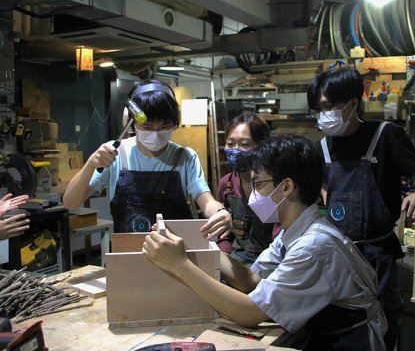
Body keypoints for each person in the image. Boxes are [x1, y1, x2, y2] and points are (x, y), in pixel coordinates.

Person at [143, 135, 387, 350]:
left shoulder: (314, 247)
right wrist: (201, 250)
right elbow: (251, 280)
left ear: (286, 187)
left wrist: (180, 265)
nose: (252, 195)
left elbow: (250, 313)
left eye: (258, 184)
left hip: (349, 342)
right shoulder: (294, 231)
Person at [307, 66, 415, 351]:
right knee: (344, 323)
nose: (323, 115)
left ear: (353, 103)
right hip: (338, 254)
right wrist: (330, 197)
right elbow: (323, 184)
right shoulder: (322, 148)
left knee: (385, 322)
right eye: (318, 109)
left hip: (378, 254)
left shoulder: (385, 135)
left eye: (328, 106)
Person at [63, 79, 231, 238]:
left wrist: (220, 213)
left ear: (175, 123)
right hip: (129, 251)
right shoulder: (115, 154)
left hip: (175, 253)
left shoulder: (185, 157)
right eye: (147, 127)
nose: (155, 134)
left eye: (164, 126)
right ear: (129, 122)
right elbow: (70, 202)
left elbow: (207, 202)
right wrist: (91, 163)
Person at [216, 112, 280, 265]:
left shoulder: (275, 184)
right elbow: (225, 235)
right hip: (238, 256)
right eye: (230, 144)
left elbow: (282, 234)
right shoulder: (227, 184)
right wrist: (222, 257)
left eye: (244, 144)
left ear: (262, 146)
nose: (235, 150)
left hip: (271, 259)